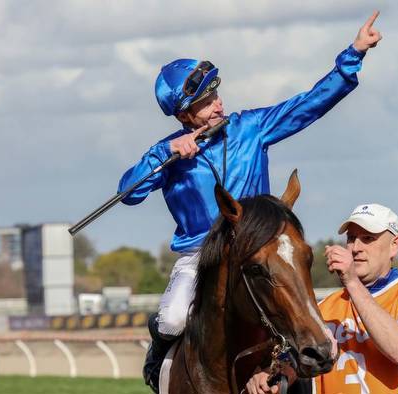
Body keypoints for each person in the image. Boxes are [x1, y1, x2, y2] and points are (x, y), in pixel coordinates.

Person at [118, 11, 383, 393]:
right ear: (183, 114)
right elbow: (128, 193)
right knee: (174, 319)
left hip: (258, 247)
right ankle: (158, 363)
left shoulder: (251, 128)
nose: (218, 105)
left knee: (287, 304)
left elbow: (308, 105)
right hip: (200, 256)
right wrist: (163, 156)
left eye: (216, 94)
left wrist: (353, 54)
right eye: (206, 102)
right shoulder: (168, 154)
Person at [246, 204, 398, 394]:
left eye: (368, 238)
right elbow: (291, 364)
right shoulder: (323, 308)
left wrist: (351, 282)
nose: (355, 247)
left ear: (394, 245)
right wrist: (270, 373)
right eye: (351, 238)